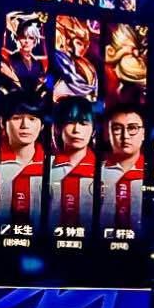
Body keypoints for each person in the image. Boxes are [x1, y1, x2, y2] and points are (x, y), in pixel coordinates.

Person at [0, 92, 49, 237]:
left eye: (32, 119)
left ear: (42, 125)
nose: (25, 125)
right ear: (2, 122)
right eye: (16, 118)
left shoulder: (53, 167)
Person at [48, 97, 99, 239]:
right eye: (70, 122)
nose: (77, 130)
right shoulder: (44, 168)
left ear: (93, 130)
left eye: (84, 123)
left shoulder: (104, 171)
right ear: (58, 128)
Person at [99, 100, 148, 239]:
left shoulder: (152, 175)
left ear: (143, 133)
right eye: (117, 129)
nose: (125, 136)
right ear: (107, 133)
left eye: (132, 128)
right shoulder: (95, 172)